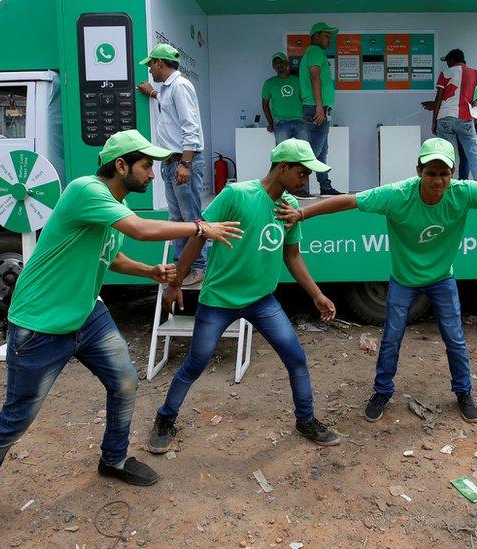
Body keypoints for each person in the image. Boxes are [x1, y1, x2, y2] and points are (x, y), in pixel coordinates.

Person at [0, 130, 242, 548]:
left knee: (125, 382)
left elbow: (111, 254)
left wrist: (149, 273)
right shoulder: (85, 190)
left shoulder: (114, 206)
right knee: (16, 419)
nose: (152, 172)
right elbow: (140, 230)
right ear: (121, 165)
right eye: (146, 165)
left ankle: (114, 458)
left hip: (87, 314)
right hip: (40, 325)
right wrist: (200, 226)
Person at [277, 138, 477, 424]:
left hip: (442, 279)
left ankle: (463, 392)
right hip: (403, 281)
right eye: (431, 173)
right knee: (391, 338)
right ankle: (381, 392)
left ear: (453, 173)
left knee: (455, 338)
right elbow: (348, 201)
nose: (438, 180)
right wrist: (303, 214)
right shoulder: (396, 195)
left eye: (444, 173)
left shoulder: (463, 193)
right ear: (419, 171)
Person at [147, 138, 341, 454]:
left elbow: (292, 256)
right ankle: (165, 418)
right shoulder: (237, 195)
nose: (306, 180)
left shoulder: (289, 208)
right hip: (219, 300)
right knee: (196, 363)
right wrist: (176, 283)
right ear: (283, 167)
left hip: (262, 300)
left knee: (296, 358)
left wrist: (317, 295)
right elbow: (199, 238)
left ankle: (305, 420)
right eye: (302, 173)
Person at [138, 43, 210, 287]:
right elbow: (169, 109)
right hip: (171, 162)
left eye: (151, 65)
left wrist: (185, 164)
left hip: (182, 161)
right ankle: (181, 267)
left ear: (159, 62)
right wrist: (152, 93)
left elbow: (190, 127)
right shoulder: (168, 89)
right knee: (177, 218)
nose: (150, 70)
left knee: (190, 217)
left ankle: (199, 267)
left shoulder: (180, 86)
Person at [430, 49, 477, 183]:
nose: (447, 64)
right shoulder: (474, 73)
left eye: (448, 61)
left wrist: (433, 121)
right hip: (465, 118)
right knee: (474, 154)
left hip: (445, 118)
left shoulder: (445, 73)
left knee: (445, 154)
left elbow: (438, 98)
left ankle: (447, 185)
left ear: (452, 60)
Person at [298, 21, 343, 196]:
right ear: (315, 36)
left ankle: (325, 186)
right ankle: (299, 187)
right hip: (316, 108)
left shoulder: (314, 53)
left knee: (321, 152)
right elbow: (314, 77)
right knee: (312, 153)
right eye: (325, 35)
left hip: (318, 108)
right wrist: (319, 107)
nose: (329, 38)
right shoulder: (315, 51)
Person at [262, 52, 304, 145]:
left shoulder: (298, 81)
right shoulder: (269, 83)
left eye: (281, 61)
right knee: (282, 155)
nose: (279, 64)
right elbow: (265, 105)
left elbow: (305, 100)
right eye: (275, 62)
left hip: (300, 122)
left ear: (287, 63)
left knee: (304, 153)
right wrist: (270, 123)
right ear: (273, 66)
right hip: (280, 123)